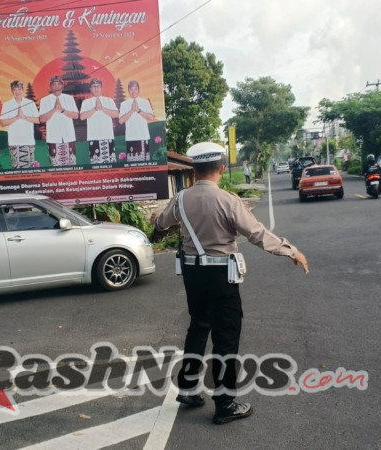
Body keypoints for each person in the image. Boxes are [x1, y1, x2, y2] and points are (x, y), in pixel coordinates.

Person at [152, 142, 309, 425]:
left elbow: (161, 223)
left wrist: (156, 221)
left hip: (192, 275)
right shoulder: (228, 200)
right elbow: (256, 233)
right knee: (225, 336)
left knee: (198, 327)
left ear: (193, 170)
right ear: (221, 169)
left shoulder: (180, 199)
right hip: (220, 275)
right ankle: (225, 404)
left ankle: (188, 389)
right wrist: (290, 250)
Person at [39, 76, 79, 166]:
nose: (56, 87)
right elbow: (41, 119)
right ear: (50, 86)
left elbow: (76, 115)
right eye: (54, 84)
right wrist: (54, 109)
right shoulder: (45, 100)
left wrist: (62, 110)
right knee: (55, 167)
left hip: (69, 136)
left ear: (62, 86)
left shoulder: (69, 98)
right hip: (53, 138)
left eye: (59, 84)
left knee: (72, 165)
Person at [0, 80, 40, 169]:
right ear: (12, 91)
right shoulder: (7, 105)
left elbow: (37, 120)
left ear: (22, 90)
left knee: (30, 170)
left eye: (19, 89)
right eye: (15, 90)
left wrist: (24, 117)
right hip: (14, 142)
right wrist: (17, 117)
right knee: (16, 170)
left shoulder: (30, 103)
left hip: (29, 142)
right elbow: (2, 123)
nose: (17, 92)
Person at [80, 78, 118, 164]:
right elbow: (82, 117)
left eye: (98, 86)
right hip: (94, 137)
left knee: (111, 165)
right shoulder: (86, 102)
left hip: (108, 136)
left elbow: (116, 114)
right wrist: (95, 109)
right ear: (90, 89)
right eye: (94, 86)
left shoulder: (109, 100)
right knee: (95, 165)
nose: (96, 88)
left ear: (101, 88)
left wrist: (102, 108)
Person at [118, 80, 155, 162]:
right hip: (131, 138)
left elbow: (151, 117)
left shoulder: (145, 102)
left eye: (135, 88)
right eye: (131, 89)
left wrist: (139, 111)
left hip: (143, 136)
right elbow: (121, 121)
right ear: (128, 90)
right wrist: (131, 111)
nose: (133, 91)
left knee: (145, 163)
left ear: (138, 90)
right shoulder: (124, 104)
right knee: (133, 165)